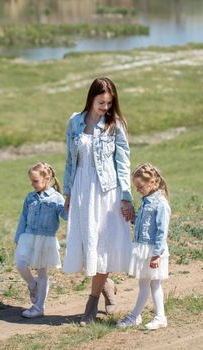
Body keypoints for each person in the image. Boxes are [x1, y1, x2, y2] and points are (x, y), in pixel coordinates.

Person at [62, 77, 134, 325]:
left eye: (109, 103)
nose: (105, 107)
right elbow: (70, 161)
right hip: (82, 189)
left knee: (100, 246)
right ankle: (106, 285)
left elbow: (123, 164)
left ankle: (90, 305)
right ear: (91, 98)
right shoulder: (74, 122)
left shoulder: (115, 125)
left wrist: (126, 198)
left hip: (106, 192)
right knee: (85, 244)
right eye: (101, 102)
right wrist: (68, 193)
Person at [117, 163, 171, 330]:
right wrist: (133, 218)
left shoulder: (160, 204)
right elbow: (144, 224)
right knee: (147, 284)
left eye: (140, 186)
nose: (138, 190)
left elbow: (162, 231)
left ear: (152, 182)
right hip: (143, 249)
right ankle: (145, 316)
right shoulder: (146, 201)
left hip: (153, 250)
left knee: (153, 284)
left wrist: (156, 255)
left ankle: (147, 317)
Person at [14, 162, 67, 318]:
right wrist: (18, 236)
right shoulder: (30, 197)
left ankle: (39, 307)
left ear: (47, 178)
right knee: (21, 264)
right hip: (27, 236)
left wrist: (72, 205)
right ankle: (32, 284)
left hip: (46, 238)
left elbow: (65, 216)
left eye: (35, 181)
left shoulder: (57, 198)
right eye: (31, 181)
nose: (33, 184)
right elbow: (23, 217)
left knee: (42, 272)